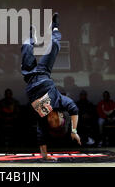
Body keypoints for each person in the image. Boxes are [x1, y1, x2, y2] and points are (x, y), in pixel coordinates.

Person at [21, 12, 81, 161]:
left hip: (29, 76)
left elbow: (41, 137)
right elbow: (74, 109)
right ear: (60, 116)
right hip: (43, 72)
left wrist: (45, 156)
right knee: (54, 45)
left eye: (51, 123)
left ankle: (31, 38)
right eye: (56, 121)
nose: (51, 119)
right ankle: (54, 28)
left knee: (26, 46)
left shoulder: (42, 117)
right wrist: (73, 131)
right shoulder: (60, 102)